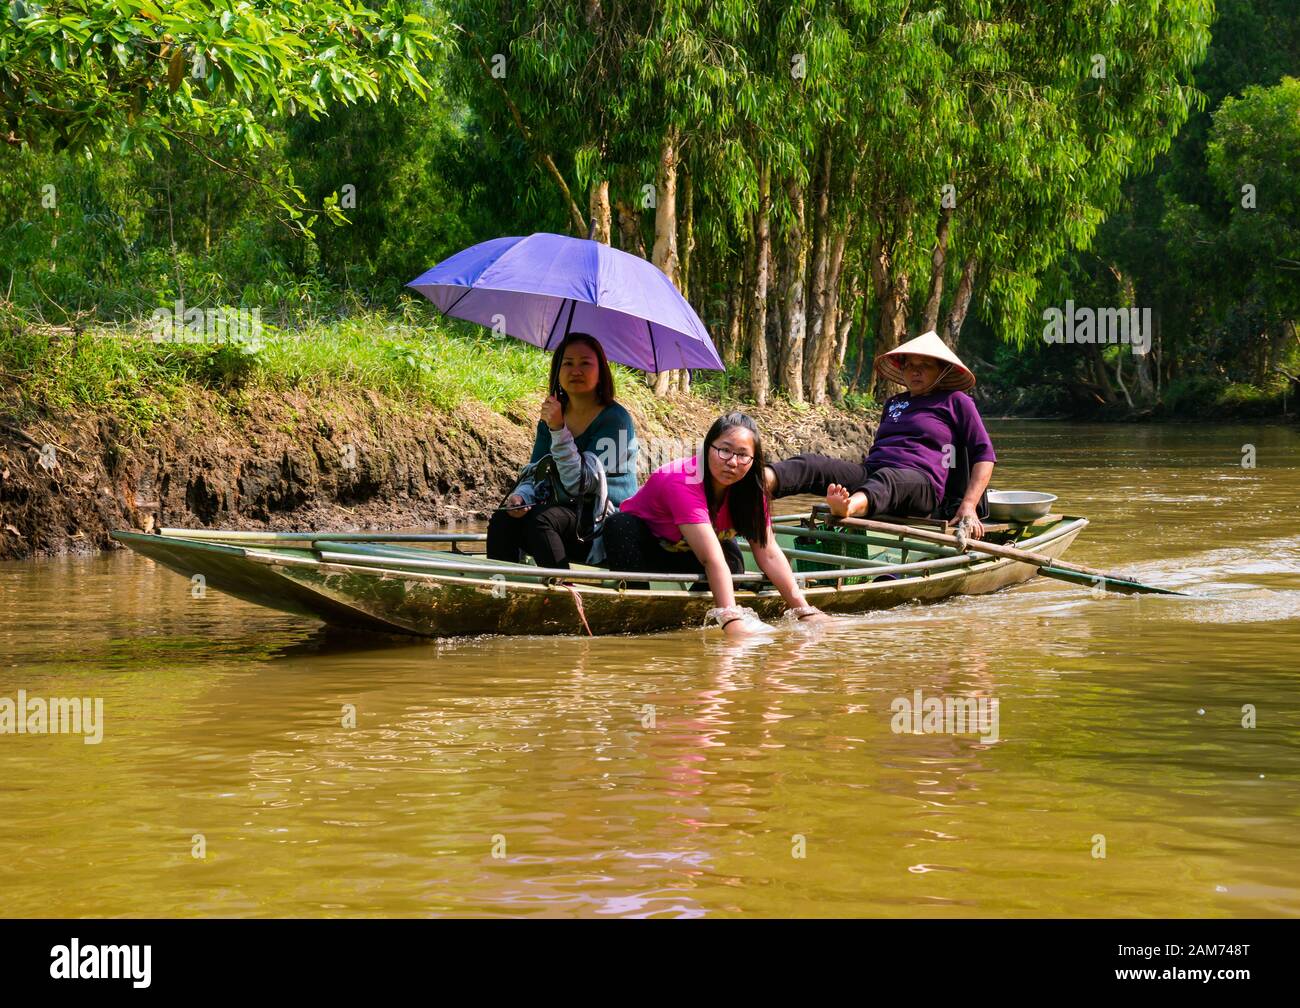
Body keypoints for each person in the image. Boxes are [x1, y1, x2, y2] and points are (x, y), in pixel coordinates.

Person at [603, 412, 831, 636]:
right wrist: (731, 617)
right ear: (707, 448)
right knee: (620, 525)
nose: (732, 462)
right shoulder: (683, 480)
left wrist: (803, 610)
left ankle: (687, 619)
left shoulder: (751, 490)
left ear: (754, 460)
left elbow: (768, 552)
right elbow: (710, 558)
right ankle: (633, 615)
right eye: (724, 450)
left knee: (733, 561)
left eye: (743, 455)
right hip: (644, 548)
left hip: (689, 551)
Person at [764, 330, 996, 539]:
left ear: (941, 370)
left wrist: (968, 505)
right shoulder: (894, 402)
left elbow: (984, 455)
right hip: (874, 473)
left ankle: (848, 508)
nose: (915, 371)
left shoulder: (956, 401)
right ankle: (756, 482)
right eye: (909, 365)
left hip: (921, 484)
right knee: (812, 463)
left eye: (925, 365)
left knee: (889, 479)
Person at [488, 333, 638, 568]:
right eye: (567, 363)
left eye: (585, 363)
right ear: (557, 370)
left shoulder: (615, 420)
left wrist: (558, 429)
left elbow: (578, 484)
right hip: (564, 512)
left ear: (601, 372)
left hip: (603, 522)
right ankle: (502, 595)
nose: (575, 370)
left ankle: (563, 595)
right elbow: (537, 471)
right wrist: (523, 497)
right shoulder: (553, 414)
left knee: (541, 520)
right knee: (503, 519)